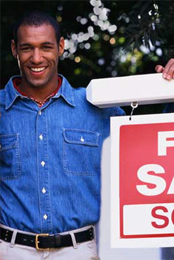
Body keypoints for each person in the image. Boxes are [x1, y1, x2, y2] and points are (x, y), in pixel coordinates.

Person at [0, 10, 173, 260]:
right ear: (15, 49)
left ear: (60, 47)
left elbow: (155, 145)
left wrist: (171, 90)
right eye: (27, 48)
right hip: (10, 250)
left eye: (46, 47)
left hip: (80, 251)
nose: (36, 58)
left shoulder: (96, 107)